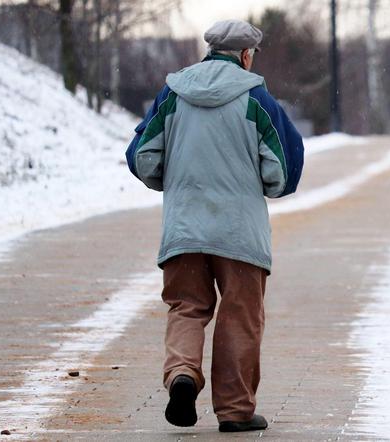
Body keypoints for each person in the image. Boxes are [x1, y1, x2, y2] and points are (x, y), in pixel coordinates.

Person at [125, 19, 304, 433]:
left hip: (184, 227)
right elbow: (283, 168)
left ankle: (183, 375)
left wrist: (175, 180)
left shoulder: (173, 92)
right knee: (240, 314)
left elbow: (143, 156)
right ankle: (236, 410)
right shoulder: (256, 96)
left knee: (187, 306)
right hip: (239, 232)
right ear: (246, 55)